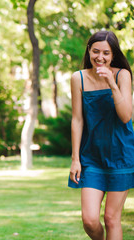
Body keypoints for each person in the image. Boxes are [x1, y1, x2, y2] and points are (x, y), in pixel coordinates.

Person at [68, 30, 134, 240]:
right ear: (89, 51)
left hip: (121, 156)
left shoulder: (122, 75)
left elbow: (126, 117)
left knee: (112, 219)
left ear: (113, 54)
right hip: (91, 158)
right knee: (89, 220)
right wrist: (75, 159)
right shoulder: (78, 78)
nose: (100, 57)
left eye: (106, 53)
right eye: (96, 51)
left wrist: (112, 85)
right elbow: (77, 119)